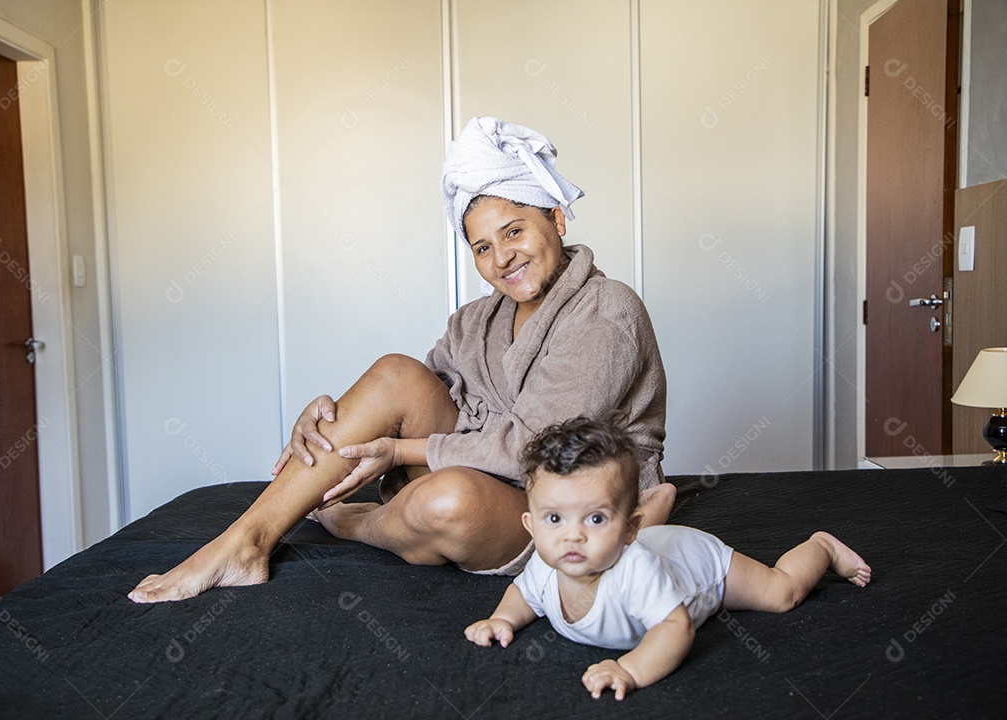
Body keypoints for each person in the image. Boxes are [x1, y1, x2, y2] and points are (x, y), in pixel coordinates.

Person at [128, 117, 672, 603]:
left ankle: (363, 525)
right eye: (482, 247)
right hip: (489, 471)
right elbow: (415, 395)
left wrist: (398, 452)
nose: (502, 257)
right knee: (395, 370)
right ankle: (245, 540)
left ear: (556, 219)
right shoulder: (478, 320)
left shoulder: (606, 311)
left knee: (450, 501)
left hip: (571, 507)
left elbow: (532, 448)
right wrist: (329, 417)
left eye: (514, 231)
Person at [464, 417, 872, 700]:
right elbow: (523, 593)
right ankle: (657, 499)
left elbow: (675, 629)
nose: (573, 534)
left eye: (595, 517)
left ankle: (822, 547)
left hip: (699, 565)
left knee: (782, 593)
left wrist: (630, 670)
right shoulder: (545, 563)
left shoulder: (634, 570)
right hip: (656, 541)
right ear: (531, 525)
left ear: (628, 528)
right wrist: (503, 619)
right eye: (554, 518)